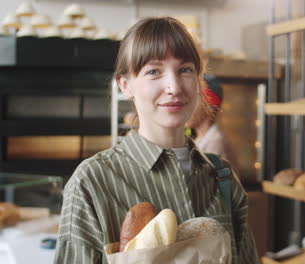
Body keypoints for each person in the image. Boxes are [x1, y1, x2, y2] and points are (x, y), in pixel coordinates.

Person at [54, 17, 259, 264]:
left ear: (197, 81)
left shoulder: (223, 178)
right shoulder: (91, 183)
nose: (173, 87)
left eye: (185, 70)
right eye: (153, 72)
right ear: (126, 85)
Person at [186, 74, 238, 169]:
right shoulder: (200, 139)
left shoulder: (215, 143)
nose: (185, 107)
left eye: (192, 101)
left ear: (209, 106)